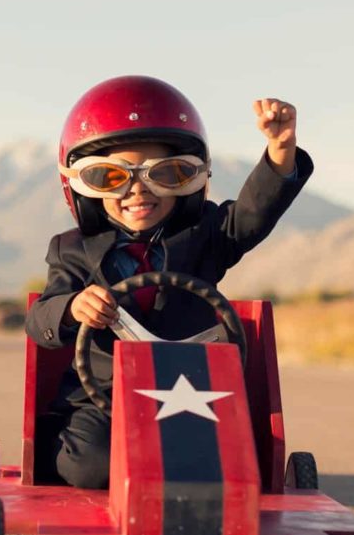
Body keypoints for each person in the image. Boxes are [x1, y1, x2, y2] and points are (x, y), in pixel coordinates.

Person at [25, 75, 313, 489]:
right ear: (83, 186)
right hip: (103, 401)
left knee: (228, 466)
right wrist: (73, 307)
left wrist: (280, 151)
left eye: (166, 174)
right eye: (111, 178)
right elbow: (40, 320)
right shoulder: (70, 250)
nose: (138, 192)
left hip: (194, 394)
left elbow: (253, 214)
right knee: (89, 467)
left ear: (191, 179)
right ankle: (67, 453)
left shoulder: (206, 235)